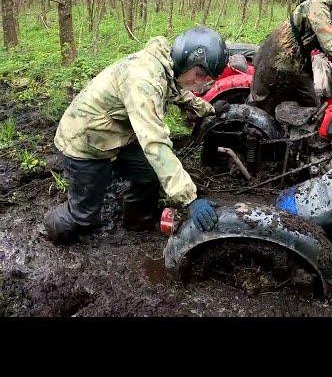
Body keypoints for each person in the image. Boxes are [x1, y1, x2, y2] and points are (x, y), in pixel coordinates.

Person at [44, 25, 231, 244]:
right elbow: (155, 144)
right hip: (85, 142)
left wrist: (207, 109)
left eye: (205, 78)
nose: (199, 83)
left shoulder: (167, 68)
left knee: (149, 174)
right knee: (84, 216)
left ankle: (136, 221)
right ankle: (49, 230)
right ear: (186, 58)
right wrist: (190, 199)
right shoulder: (144, 79)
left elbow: (177, 92)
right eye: (198, 74)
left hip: (118, 135)